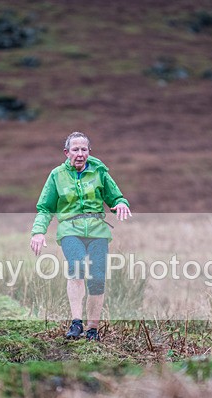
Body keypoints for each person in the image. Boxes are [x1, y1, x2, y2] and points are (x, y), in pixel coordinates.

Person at [30, 132, 132, 341]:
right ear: (67, 153)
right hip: (70, 229)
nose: (80, 153)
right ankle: (76, 323)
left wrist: (121, 204)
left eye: (84, 149)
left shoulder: (100, 172)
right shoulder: (57, 175)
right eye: (75, 150)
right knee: (76, 267)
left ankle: (92, 329)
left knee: (97, 278)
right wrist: (38, 232)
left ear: (89, 152)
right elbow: (45, 208)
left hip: (98, 231)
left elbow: (116, 198)